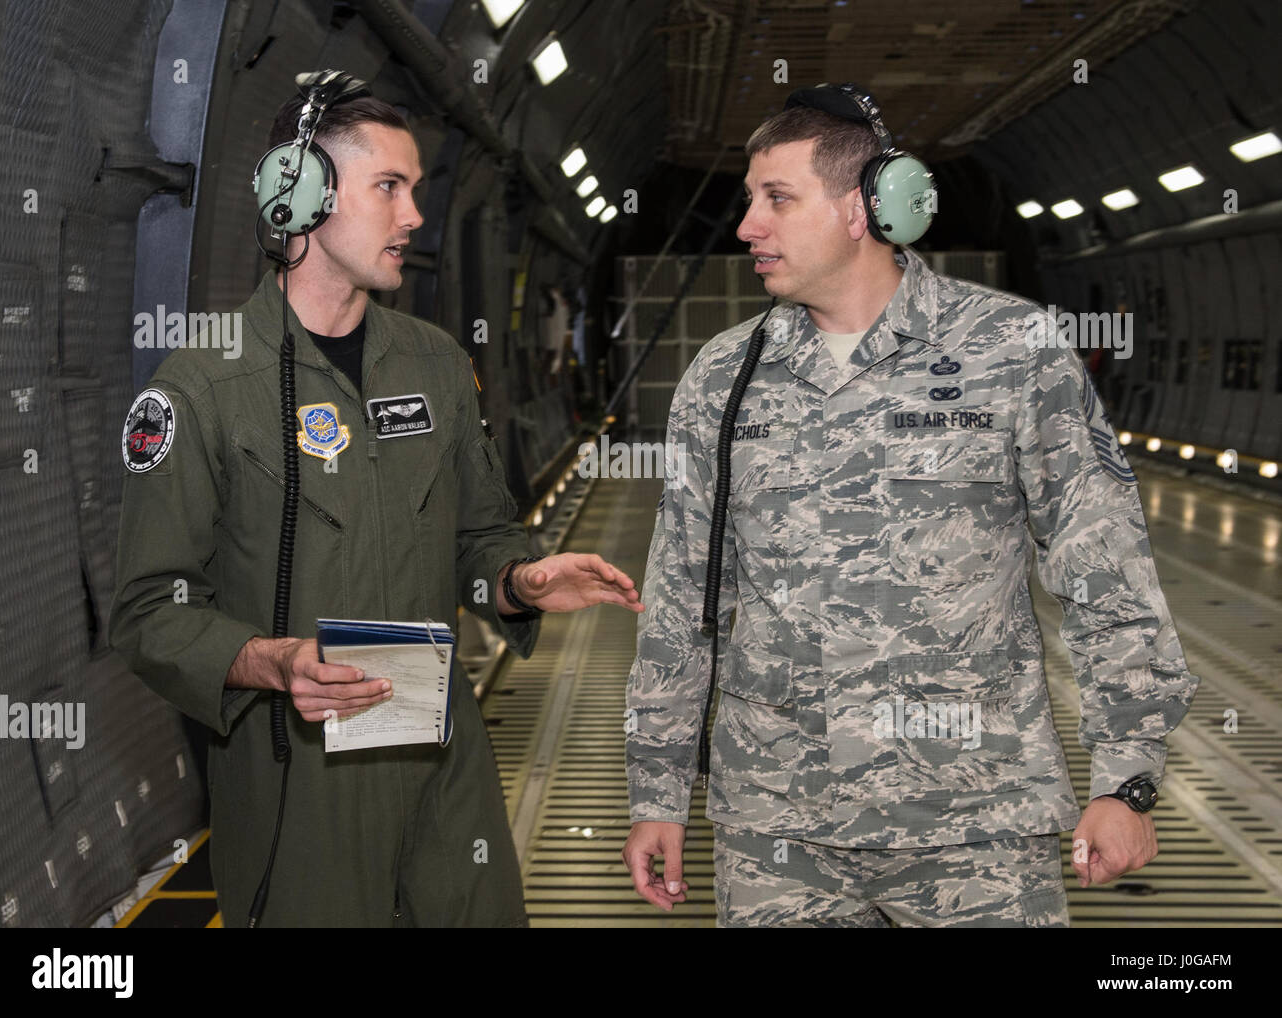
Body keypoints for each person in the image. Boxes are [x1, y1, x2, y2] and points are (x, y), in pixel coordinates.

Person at [621, 86, 1198, 927]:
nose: (748, 225)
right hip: (779, 833)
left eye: (777, 199)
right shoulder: (722, 378)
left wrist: (1126, 779)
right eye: (750, 200)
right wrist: (658, 791)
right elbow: (682, 599)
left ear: (864, 208)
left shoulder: (1013, 353)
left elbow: (1104, 568)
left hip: (978, 824)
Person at [110, 82, 643, 927]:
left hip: (444, 770)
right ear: (303, 193)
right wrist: (271, 661)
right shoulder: (203, 388)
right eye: (389, 187)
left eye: (418, 189)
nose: (415, 216)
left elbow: (477, 539)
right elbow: (148, 612)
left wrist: (519, 581)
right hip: (300, 786)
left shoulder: (433, 366)